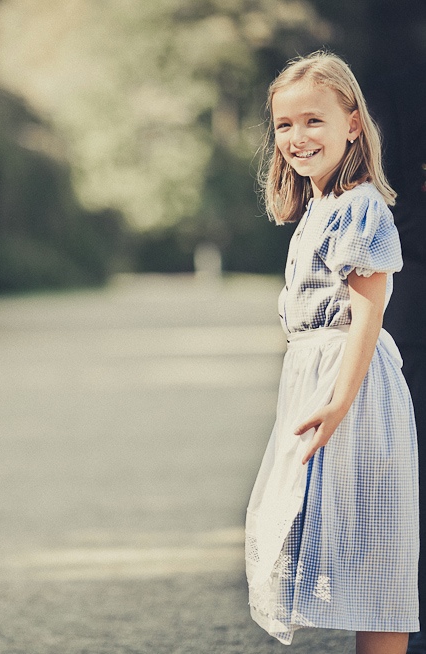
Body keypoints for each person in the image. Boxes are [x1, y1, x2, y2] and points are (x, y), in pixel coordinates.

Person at [245, 51, 418, 654]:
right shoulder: (320, 206)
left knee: (376, 545)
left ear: (352, 122)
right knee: (331, 535)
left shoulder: (361, 207)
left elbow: (368, 313)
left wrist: (340, 400)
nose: (297, 137)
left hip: (355, 386)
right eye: (285, 126)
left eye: (313, 121)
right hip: (320, 381)